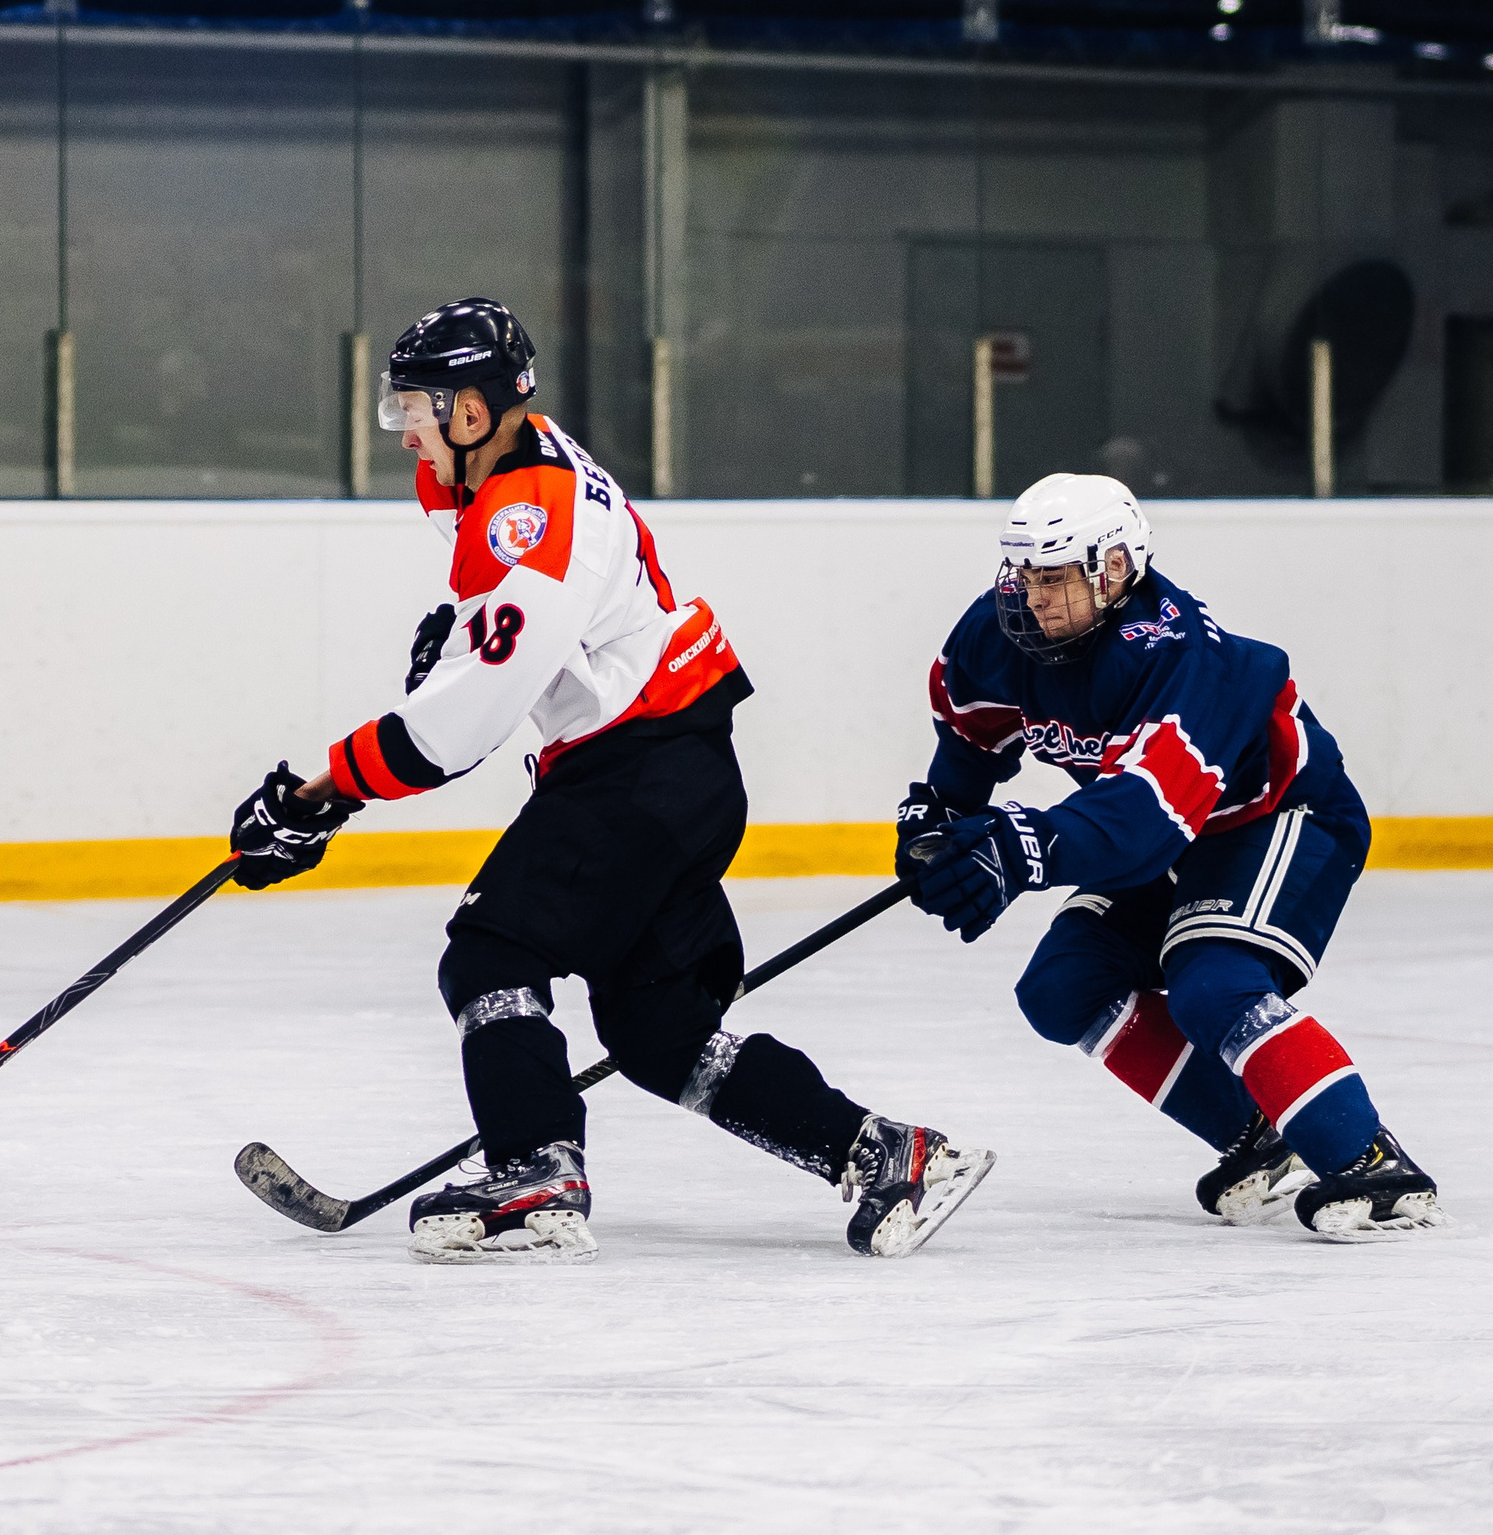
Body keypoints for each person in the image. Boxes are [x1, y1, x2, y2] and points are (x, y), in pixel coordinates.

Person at [227, 298, 993, 1263]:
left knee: (490, 954)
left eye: (420, 406)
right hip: (674, 765)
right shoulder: (514, 466)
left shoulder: (528, 516)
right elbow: (526, 635)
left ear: (473, 411)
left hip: (641, 771)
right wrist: (464, 627)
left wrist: (321, 796)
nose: (407, 427)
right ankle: (888, 1154)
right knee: (656, 1029)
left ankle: (535, 1174)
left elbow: (466, 721)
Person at [897, 472, 1445, 1241]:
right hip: (1174, 833)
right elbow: (971, 736)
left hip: (1277, 816)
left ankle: (1374, 1166)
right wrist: (943, 822)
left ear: (1113, 568)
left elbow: (1144, 816)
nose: (1032, 595)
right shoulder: (996, 634)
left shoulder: (1183, 654)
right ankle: (1258, 1135)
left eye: (1054, 577)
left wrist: (1026, 847)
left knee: (1213, 984)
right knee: (1062, 987)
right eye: (1023, 573)